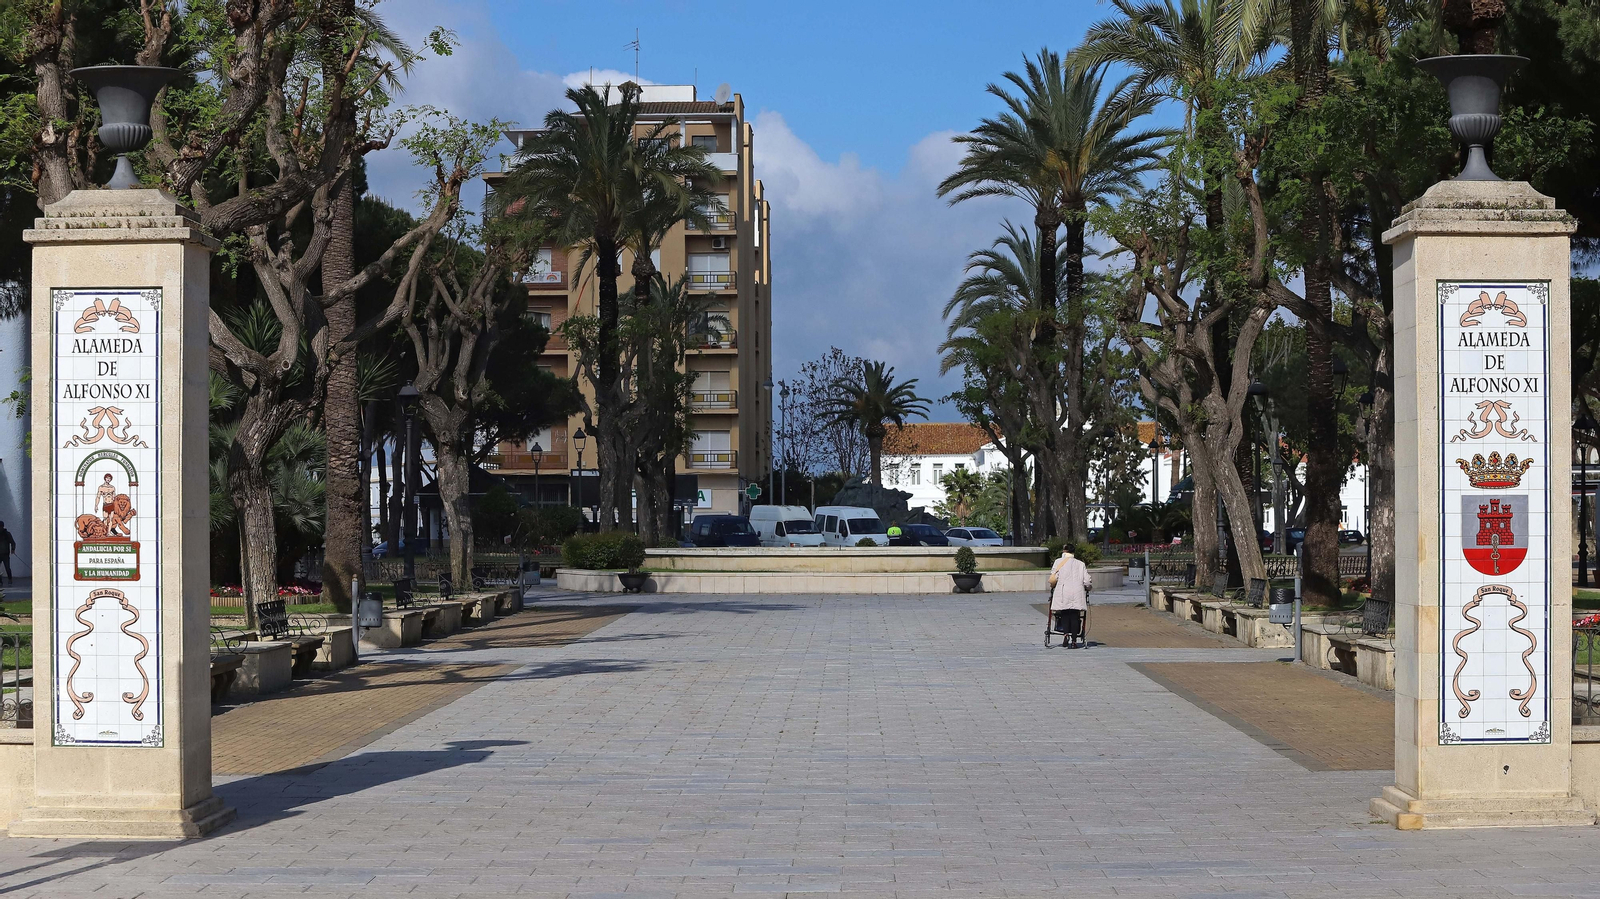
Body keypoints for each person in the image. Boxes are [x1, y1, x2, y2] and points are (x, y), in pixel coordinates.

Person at [1048, 545, 1093, 648]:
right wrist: (1088, 588)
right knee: (1074, 615)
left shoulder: (1058, 562)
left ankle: (1065, 634)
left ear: (1064, 551)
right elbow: (1086, 581)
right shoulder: (1080, 564)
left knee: (1064, 614)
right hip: (1077, 592)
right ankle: (1074, 640)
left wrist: (1053, 586)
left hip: (1063, 591)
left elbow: (1054, 577)